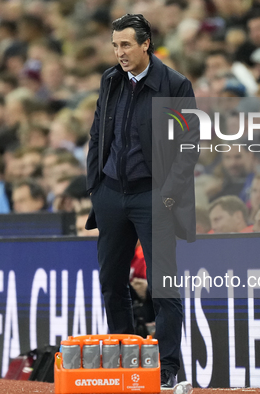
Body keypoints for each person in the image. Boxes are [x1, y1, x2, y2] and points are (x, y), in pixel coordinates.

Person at [84, 14, 199, 388]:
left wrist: (168, 196)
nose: (120, 53)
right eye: (115, 45)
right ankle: (122, 359)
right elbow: (99, 134)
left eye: (126, 45)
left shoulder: (176, 85)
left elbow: (188, 146)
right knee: (111, 281)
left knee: (163, 285)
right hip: (111, 194)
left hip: (153, 196)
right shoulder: (110, 80)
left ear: (146, 43)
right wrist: (95, 186)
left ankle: (165, 370)